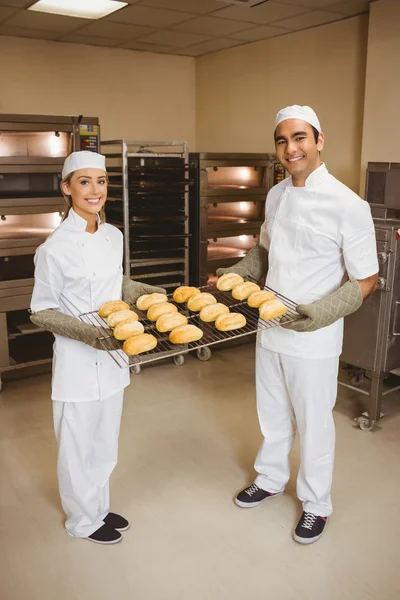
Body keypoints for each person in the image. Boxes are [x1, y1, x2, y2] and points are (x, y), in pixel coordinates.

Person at [217, 105, 379, 544]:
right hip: (269, 329)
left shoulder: (349, 204)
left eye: (300, 137)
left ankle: (316, 503)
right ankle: (270, 478)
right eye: (282, 140)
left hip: (315, 337)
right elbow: (265, 250)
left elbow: (367, 278)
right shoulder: (277, 195)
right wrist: (239, 271)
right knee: (272, 415)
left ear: (319, 140)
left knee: (313, 421)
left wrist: (322, 313)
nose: (291, 148)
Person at [30, 151, 165, 544]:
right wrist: (89, 334)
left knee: (106, 441)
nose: (94, 190)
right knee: (76, 446)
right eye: (84, 181)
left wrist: (138, 291)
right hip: (77, 361)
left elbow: (114, 285)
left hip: (114, 356)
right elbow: (41, 310)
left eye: (101, 181)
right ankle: (81, 520)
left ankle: (99, 508)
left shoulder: (113, 236)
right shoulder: (53, 249)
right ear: (66, 187)